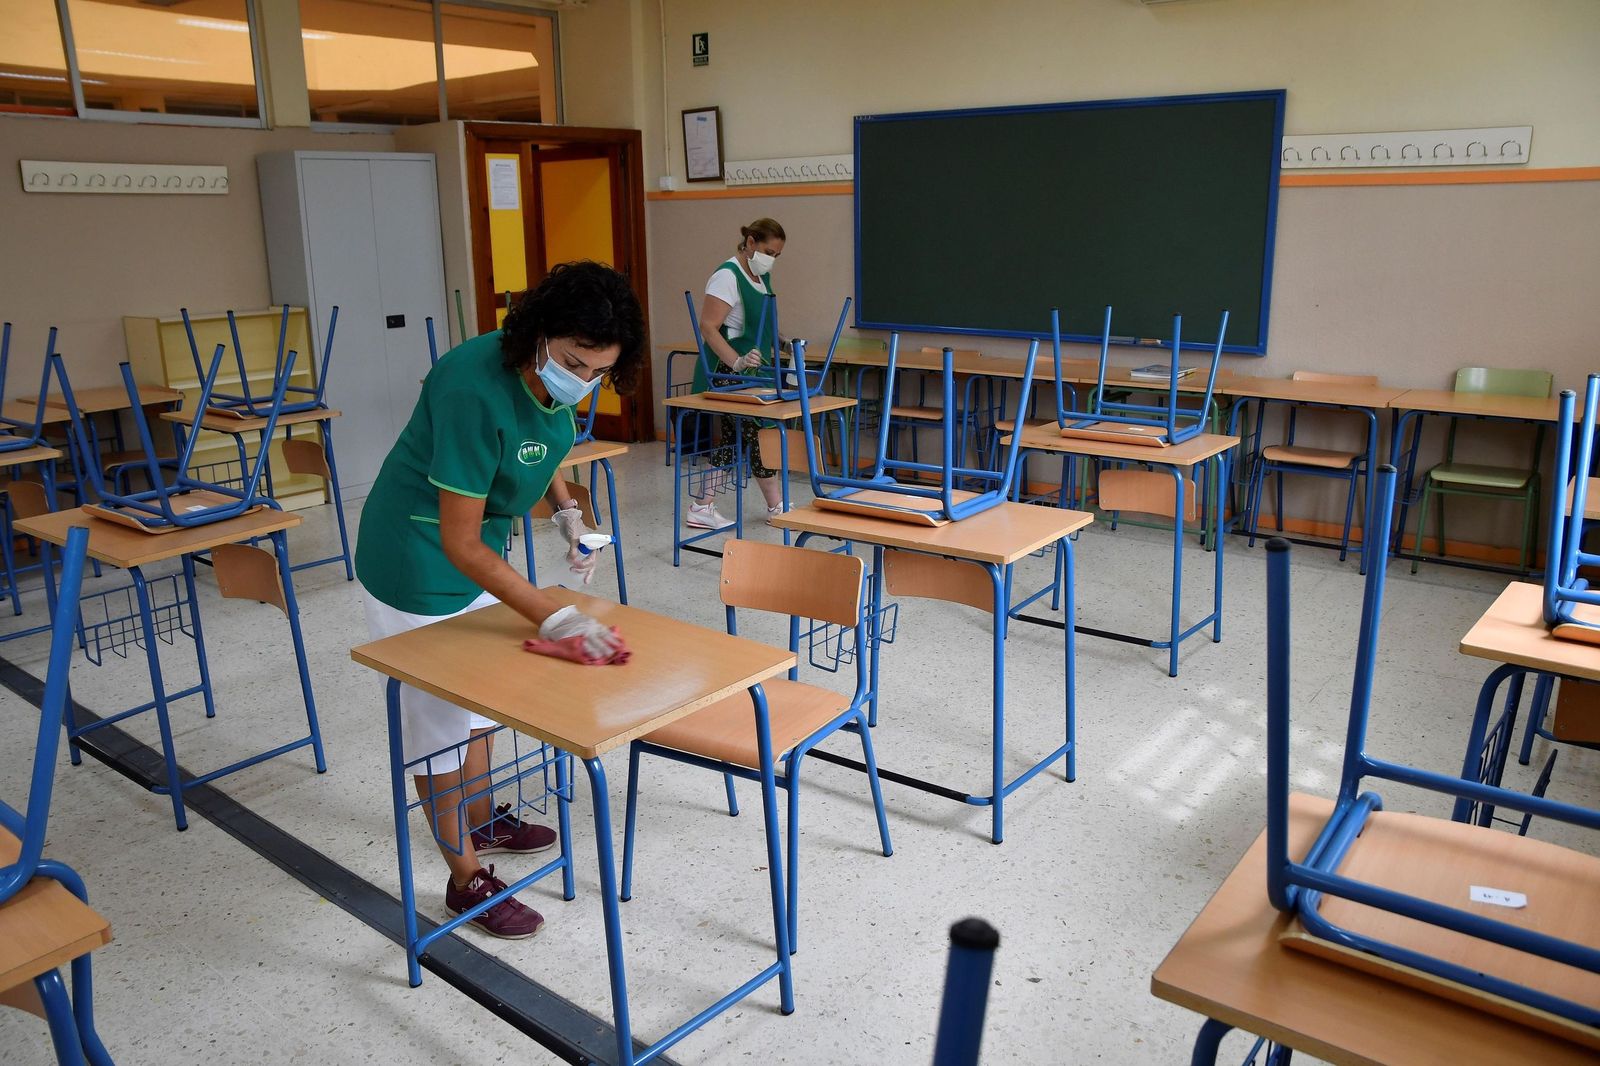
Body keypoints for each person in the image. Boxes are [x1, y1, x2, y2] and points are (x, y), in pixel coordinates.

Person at [355, 261, 645, 939]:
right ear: (540, 336)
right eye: (576, 362)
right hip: (416, 559)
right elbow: (459, 542)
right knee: (438, 726)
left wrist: (568, 512)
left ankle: (480, 818)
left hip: (477, 549)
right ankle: (464, 879)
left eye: (600, 371)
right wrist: (554, 612)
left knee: (481, 703)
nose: (585, 381)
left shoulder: (552, 376)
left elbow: (533, 452)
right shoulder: (469, 386)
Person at [688, 217, 789, 529]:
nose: (771, 260)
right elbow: (708, 326)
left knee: (737, 438)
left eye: (776, 256)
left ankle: (702, 506)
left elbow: (762, 322)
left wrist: (781, 341)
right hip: (728, 373)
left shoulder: (760, 278)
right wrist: (736, 362)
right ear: (750, 244)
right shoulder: (726, 276)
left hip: (755, 372)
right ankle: (777, 507)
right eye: (768, 252)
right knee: (758, 434)